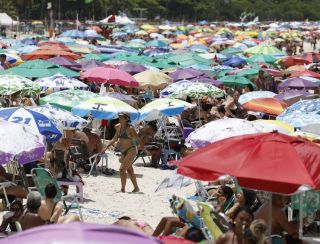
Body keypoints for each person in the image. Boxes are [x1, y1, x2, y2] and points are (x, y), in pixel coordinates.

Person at [106, 112, 144, 193]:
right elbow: (114, 138)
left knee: (122, 169)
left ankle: (123, 189)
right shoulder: (117, 127)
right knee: (130, 171)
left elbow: (138, 139)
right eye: (119, 117)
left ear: (126, 119)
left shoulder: (130, 129)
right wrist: (106, 147)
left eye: (121, 117)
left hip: (131, 150)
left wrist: (144, 148)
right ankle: (136, 188)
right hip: (123, 151)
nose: (119, 118)